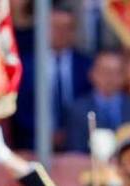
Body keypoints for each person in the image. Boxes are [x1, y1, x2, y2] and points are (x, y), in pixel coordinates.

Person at [13, 1, 91, 150]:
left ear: (74, 32)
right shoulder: (24, 65)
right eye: (54, 27)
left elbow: (90, 104)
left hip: (79, 144)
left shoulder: (87, 66)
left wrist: (68, 133)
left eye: (66, 28)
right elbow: (19, 107)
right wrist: (45, 133)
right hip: (32, 143)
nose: (60, 33)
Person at [66, 51, 130, 153]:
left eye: (116, 72)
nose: (110, 78)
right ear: (92, 74)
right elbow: (75, 151)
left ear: (124, 76)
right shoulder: (78, 108)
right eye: (105, 71)